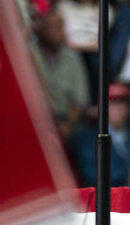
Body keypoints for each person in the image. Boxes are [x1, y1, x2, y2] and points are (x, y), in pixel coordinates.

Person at [74, 82, 130, 187]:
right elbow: (91, 175)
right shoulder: (88, 139)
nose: (118, 109)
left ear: (129, 108)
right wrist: (126, 178)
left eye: (122, 103)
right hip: (110, 196)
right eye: (113, 103)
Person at [29, 9, 90, 141]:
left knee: (84, 137)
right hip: (34, 118)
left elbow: (79, 100)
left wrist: (67, 126)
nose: (56, 32)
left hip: (65, 118)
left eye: (59, 27)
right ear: (41, 30)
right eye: (51, 27)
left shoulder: (72, 57)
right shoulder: (30, 53)